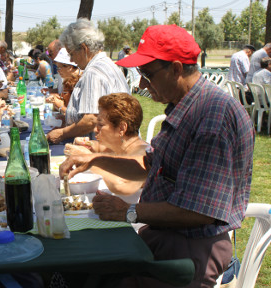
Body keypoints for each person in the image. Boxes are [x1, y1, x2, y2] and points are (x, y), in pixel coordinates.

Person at [60, 25, 255, 287]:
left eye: (147, 74)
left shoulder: (212, 117)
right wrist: (94, 160)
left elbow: (199, 212)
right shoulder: (182, 106)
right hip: (167, 235)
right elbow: (149, 167)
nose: (140, 84)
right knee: (86, 268)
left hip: (191, 247)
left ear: (175, 68)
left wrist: (128, 211)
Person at [47, 18, 129, 144]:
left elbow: (91, 119)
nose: (72, 60)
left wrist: (62, 133)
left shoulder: (93, 72)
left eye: (72, 54)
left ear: (84, 48)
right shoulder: (106, 64)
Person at [64, 93, 148, 203]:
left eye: (101, 124)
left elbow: (122, 184)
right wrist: (88, 144)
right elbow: (100, 148)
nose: (95, 130)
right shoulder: (121, 147)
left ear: (122, 128)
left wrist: (90, 160)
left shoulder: (143, 152)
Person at [46, 48, 81, 115]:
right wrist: (55, 99)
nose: (58, 71)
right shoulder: (67, 81)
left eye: (59, 68)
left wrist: (60, 105)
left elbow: (77, 116)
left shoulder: (79, 84)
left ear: (69, 67)